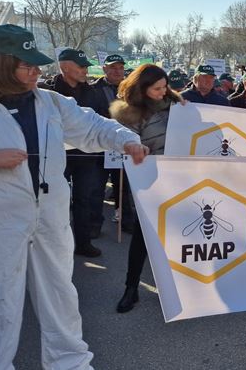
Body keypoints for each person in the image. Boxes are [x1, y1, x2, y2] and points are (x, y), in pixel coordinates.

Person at [0, 24, 148, 370]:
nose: (35, 72)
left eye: (36, 65)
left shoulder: (50, 101)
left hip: (51, 215)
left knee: (60, 292)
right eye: (25, 65)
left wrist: (125, 139)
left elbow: (92, 125)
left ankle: (70, 362)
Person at [109, 64, 185, 313]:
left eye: (165, 87)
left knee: (176, 233)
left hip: (181, 179)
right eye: (157, 88)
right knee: (143, 236)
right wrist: (138, 148)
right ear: (142, 89)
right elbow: (127, 143)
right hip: (150, 181)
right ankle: (131, 288)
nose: (163, 92)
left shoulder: (177, 104)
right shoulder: (130, 113)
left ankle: (176, 286)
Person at [43, 48, 110, 257]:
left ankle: (82, 242)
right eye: (81, 66)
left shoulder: (93, 93)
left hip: (86, 158)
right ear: (65, 67)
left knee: (84, 200)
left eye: (86, 66)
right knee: (55, 202)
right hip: (55, 157)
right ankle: (55, 246)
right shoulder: (46, 92)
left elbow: (103, 121)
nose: (85, 70)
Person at [92, 54, 132, 234]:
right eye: (113, 67)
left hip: (123, 145)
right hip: (100, 146)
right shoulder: (92, 89)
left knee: (123, 187)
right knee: (97, 188)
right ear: (104, 69)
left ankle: (125, 220)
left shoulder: (131, 89)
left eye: (120, 68)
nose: (117, 71)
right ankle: (93, 226)